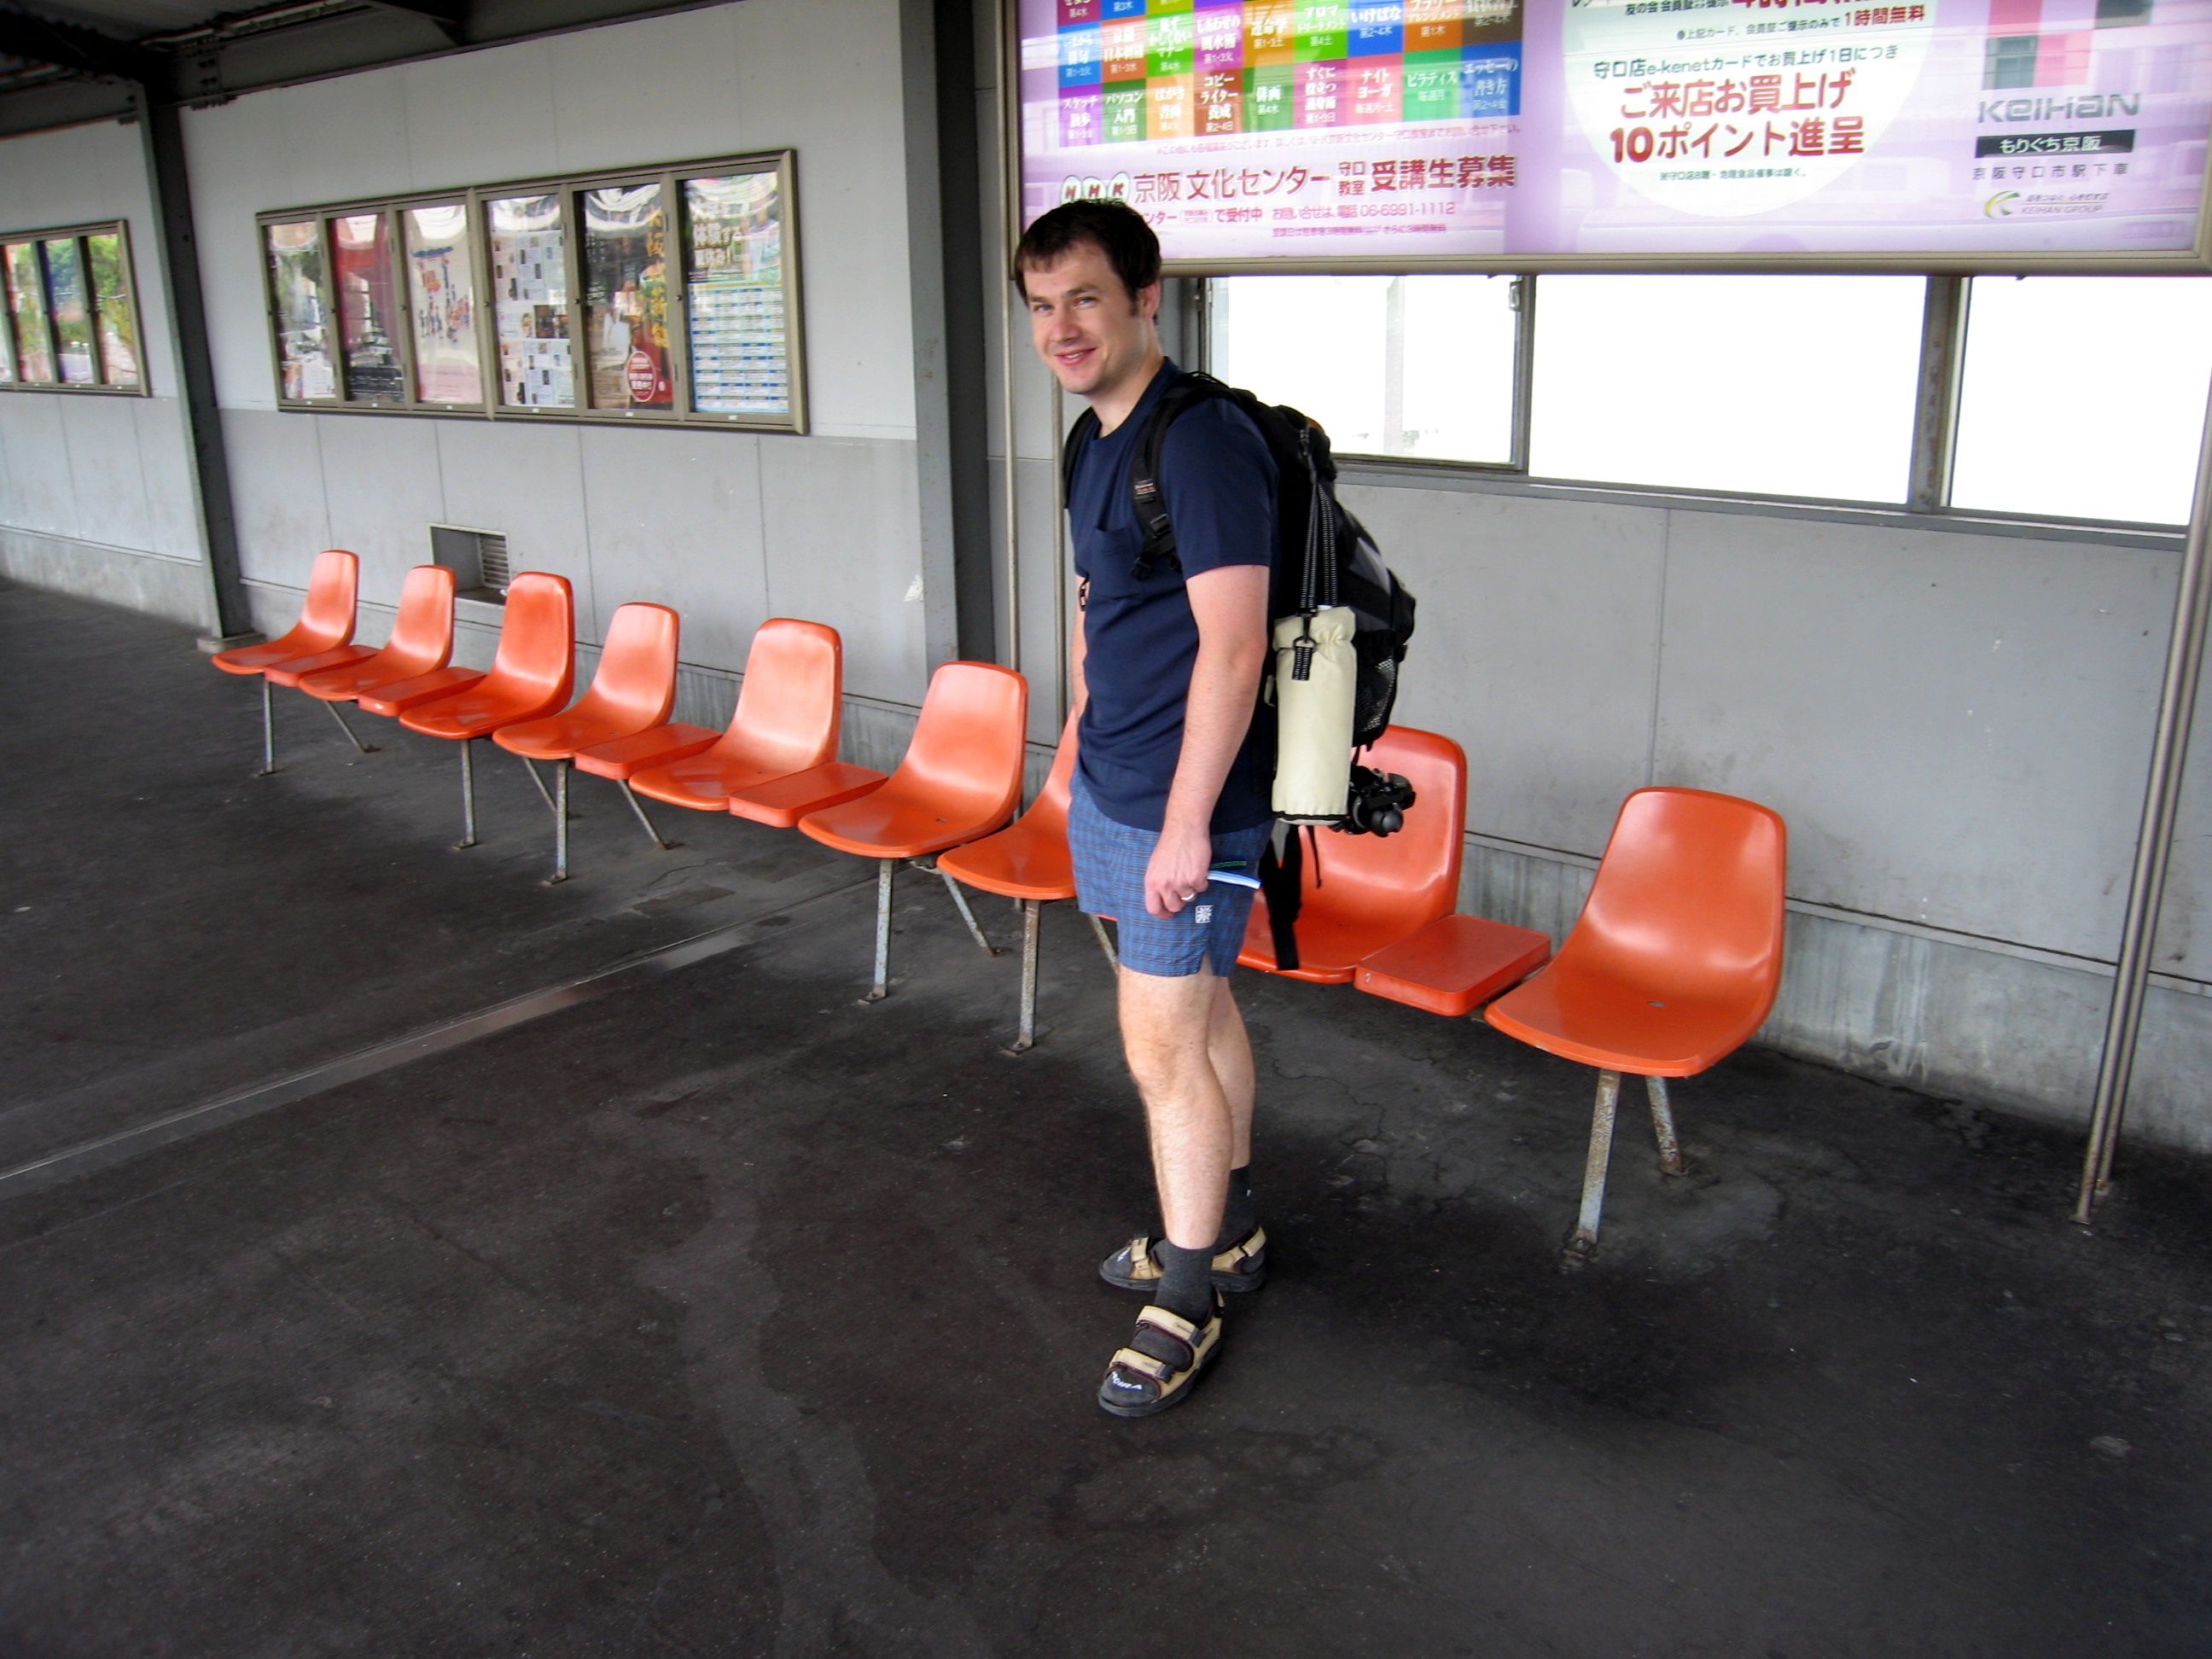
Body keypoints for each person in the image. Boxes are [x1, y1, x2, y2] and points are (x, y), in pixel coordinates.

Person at [1015, 199, 1278, 1417]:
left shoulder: (1203, 440)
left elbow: (1235, 649)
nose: (1061, 327)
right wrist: (1080, 736)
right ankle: (1228, 1230)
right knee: (1201, 1010)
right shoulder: (1092, 440)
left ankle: (1186, 1295)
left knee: (1159, 1051)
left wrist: (1184, 825)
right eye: (1042, 305)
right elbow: (1100, 605)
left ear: (1143, 298)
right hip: (1117, 783)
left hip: (1190, 806)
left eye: (1084, 297)